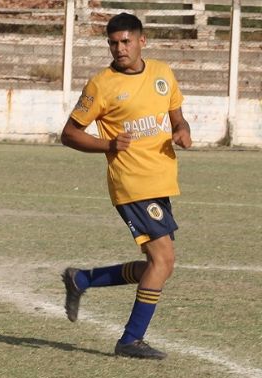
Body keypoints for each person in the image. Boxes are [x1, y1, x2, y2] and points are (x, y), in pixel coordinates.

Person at [59, 13, 192, 359]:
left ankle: (82, 280)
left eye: (125, 42)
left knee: (155, 264)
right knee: (164, 259)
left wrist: (182, 131)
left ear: (141, 40)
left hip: (161, 179)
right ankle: (131, 339)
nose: (119, 49)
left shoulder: (162, 74)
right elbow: (69, 134)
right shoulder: (101, 85)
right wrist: (108, 145)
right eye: (113, 43)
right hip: (131, 183)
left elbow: (177, 115)